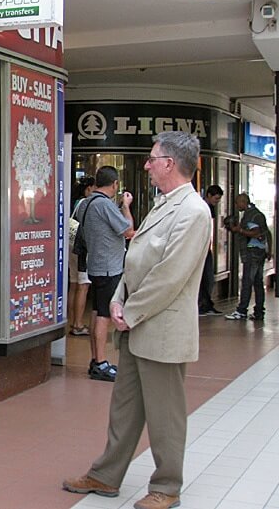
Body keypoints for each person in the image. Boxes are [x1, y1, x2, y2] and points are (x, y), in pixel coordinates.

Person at [63, 131, 211, 509]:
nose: (146, 165)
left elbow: (170, 276)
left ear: (170, 163)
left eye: (151, 158)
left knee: (165, 415)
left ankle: (167, 486)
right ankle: (106, 474)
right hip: (137, 325)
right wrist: (116, 300)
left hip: (162, 330)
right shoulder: (163, 205)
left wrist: (128, 311)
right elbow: (134, 262)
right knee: (125, 407)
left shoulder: (193, 212)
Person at [75, 166, 134, 381]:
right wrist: (126, 207)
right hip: (109, 266)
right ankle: (100, 362)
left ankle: (95, 359)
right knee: (104, 315)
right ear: (115, 184)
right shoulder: (105, 204)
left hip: (95, 264)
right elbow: (128, 230)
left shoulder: (86, 203)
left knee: (97, 311)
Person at [224, 193, 272, 321]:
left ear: (243, 202)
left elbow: (255, 232)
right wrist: (269, 250)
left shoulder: (251, 215)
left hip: (253, 252)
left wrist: (239, 230)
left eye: (237, 202)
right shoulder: (257, 213)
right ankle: (259, 312)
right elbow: (267, 232)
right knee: (258, 282)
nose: (236, 205)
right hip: (260, 252)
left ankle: (241, 311)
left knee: (247, 282)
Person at [68, 176, 95, 336]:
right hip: (81, 248)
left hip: (71, 245)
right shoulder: (85, 204)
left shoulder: (73, 202)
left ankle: (72, 321)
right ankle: (78, 324)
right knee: (83, 285)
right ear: (88, 189)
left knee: (73, 284)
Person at [198, 185, 223, 316]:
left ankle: (206, 303)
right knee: (203, 277)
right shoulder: (202, 207)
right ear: (208, 195)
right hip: (200, 248)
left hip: (206, 247)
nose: (217, 201)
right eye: (216, 198)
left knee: (208, 277)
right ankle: (202, 304)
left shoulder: (210, 208)